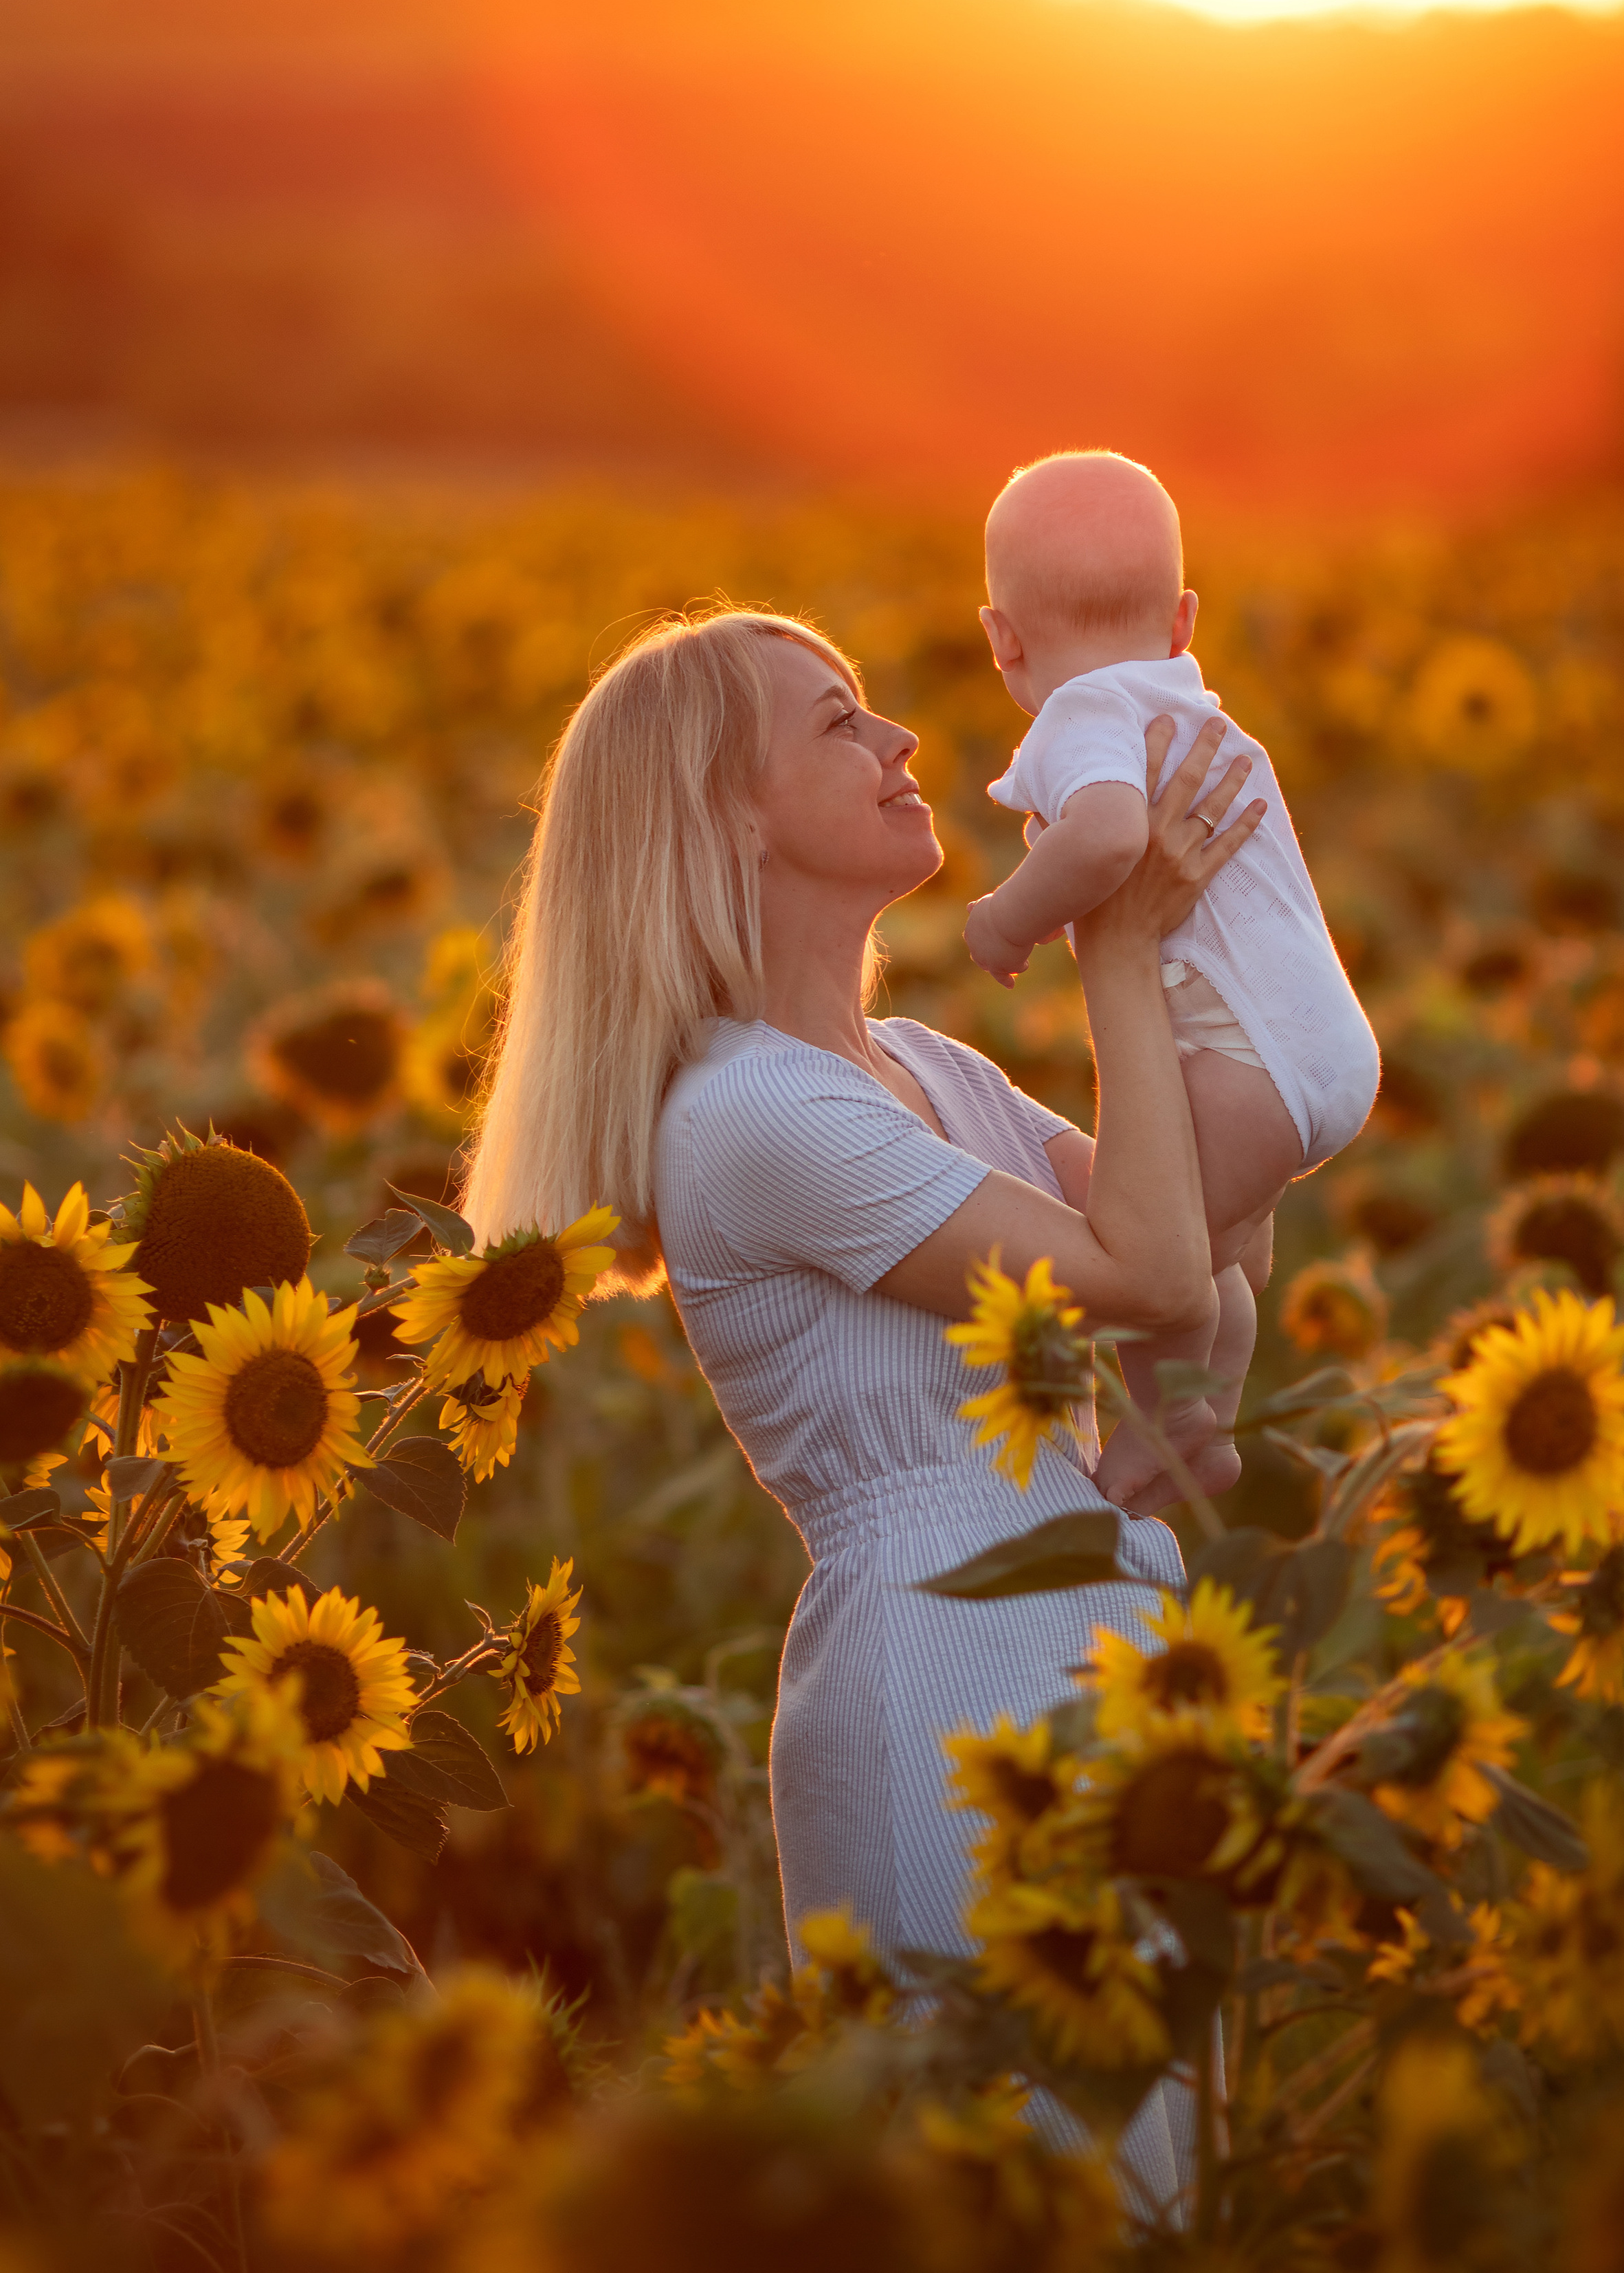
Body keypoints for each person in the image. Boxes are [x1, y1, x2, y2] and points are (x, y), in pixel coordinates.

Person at [462, 604, 1265, 2208]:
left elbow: (1219, 1224)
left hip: (1092, 1634)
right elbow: (1156, 1267)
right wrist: (1108, 939)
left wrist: (1224, 930)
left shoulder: (921, 1068)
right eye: (837, 722)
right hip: (943, 1694)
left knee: (1172, 2200)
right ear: (724, 818)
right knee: (1029, 2200)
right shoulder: (753, 1119)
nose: (902, 742)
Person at [966, 452, 1381, 1502]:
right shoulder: (1201, 717)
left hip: (1243, 1059)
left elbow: (1106, 835)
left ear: (1002, 639)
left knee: (1150, 1261)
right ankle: (1208, 1425)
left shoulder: (1083, 716)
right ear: (1185, 622)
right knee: (1209, 1260)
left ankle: (1163, 1424)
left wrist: (1009, 917)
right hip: (1318, 1046)